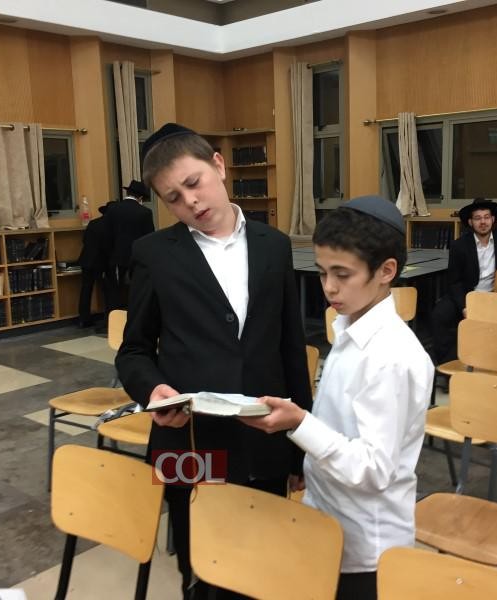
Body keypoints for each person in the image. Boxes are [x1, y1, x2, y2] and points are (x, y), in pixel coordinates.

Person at [115, 123, 313, 600]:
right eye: (174, 198)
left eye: (194, 182)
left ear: (218, 166)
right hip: (189, 439)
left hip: (265, 434)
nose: (191, 202)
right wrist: (153, 390)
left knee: (262, 558)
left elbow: (291, 346)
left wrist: (299, 446)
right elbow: (134, 349)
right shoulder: (153, 255)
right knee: (202, 562)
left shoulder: (274, 244)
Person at [242, 196, 434, 600]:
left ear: (386, 271)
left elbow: (374, 470)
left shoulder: (391, 356)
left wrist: (299, 424)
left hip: (366, 545)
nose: (329, 287)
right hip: (328, 520)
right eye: (322, 272)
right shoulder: (349, 328)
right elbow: (338, 426)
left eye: (342, 274)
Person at [430, 197, 497, 364]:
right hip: (467, 293)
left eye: (486, 217)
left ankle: (493, 360)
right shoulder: (459, 245)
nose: (483, 222)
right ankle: (447, 365)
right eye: (478, 218)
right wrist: (464, 306)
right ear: (471, 222)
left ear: (493, 219)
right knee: (440, 315)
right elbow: (454, 281)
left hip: (494, 296)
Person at [101, 179, 155, 311]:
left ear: (127, 193)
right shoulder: (145, 212)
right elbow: (149, 237)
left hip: (116, 257)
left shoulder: (113, 209)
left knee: (116, 289)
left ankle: (115, 316)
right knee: (137, 288)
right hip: (138, 257)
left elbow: (106, 234)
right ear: (140, 197)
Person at [77, 205, 114, 327]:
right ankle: (109, 318)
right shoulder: (111, 225)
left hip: (86, 260)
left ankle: (84, 319)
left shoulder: (93, 223)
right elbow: (108, 246)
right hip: (101, 262)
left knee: (86, 289)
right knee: (107, 290)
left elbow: (84, 240)